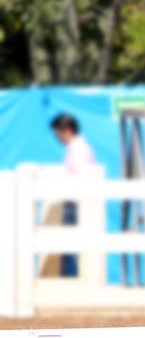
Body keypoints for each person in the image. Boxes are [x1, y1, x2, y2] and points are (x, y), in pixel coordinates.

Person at [50, 113, 97, 277]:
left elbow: (79, 175)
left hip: (76, 202)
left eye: (58, 133)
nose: (57, 137)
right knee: (70, 244)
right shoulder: (78, 147)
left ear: (67, 130)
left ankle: (70, 280)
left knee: (70, 244)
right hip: (76, 201)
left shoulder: (78, 148)